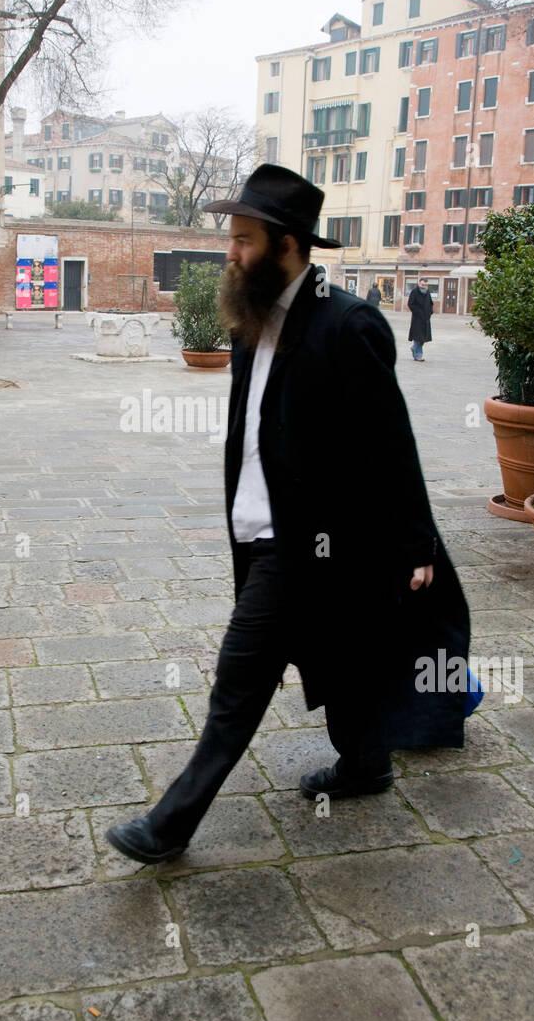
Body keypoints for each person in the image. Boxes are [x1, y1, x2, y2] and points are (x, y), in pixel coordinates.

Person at [106, 164, 471, 865]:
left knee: (238, 679)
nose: (231, 253)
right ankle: (366, 764)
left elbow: (391, 443)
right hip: (258, 530)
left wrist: (417, 542)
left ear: (285, 244)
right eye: (231, 239)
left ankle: (169, 827)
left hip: (308, 541)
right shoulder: (251, 321)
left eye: (243, 239)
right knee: (336, 652)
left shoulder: (347, 324)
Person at [408, 277, 433, 360]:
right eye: (423, 285)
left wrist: (430, 312)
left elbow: (430, 303)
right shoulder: (414, 292)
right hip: (417, 319)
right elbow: (410, 304)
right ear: (419, 284)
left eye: (426, 285)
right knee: (418, 337)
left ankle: (413, 348)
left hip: (426, 319)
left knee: (423, 339)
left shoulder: (427, 292)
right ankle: (418, 356)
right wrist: (418, 312)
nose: (424, 286)